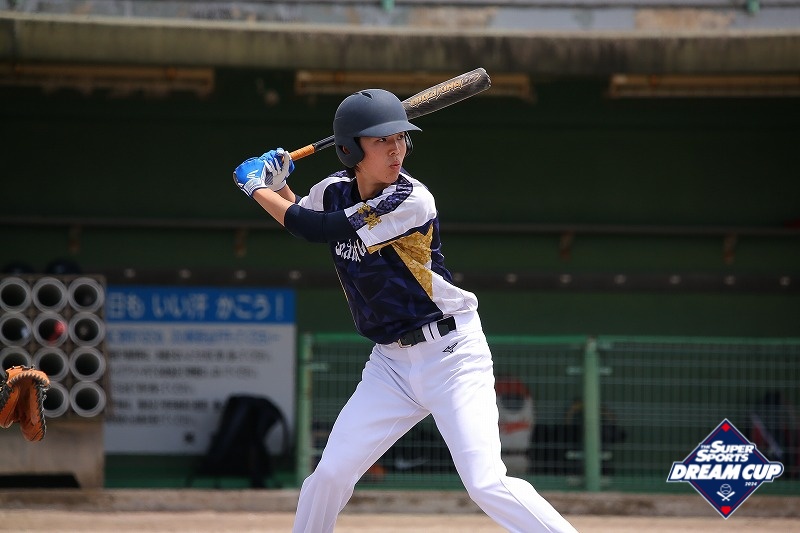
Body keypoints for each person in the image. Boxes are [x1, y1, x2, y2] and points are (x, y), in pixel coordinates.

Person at [232, 88, 577, 533]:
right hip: (390, 365)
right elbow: (299, 212)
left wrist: (255, 186)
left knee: (485, 482)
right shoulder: (332, 191)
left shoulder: (411, 198)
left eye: (400, 137)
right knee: (330, 474)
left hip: (451, 355)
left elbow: (314, 228)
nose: (396, 149)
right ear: (349, 149)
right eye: (382, 140)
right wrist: (279, 185)